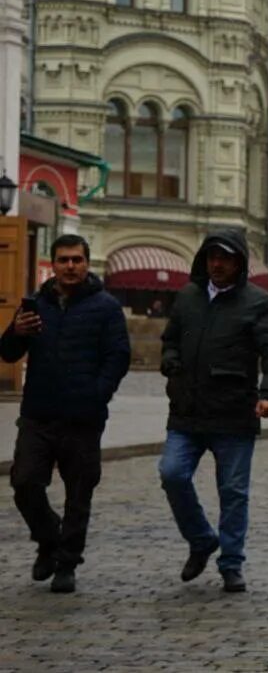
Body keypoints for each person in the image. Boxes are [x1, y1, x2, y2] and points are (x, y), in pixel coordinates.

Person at [2, 234, 130, 593]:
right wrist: (16, 331)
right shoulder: (36, 303)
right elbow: (8, 353)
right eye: (63, 260)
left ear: (87, 263)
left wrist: (96, 394)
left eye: (76, 260)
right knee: (25, 483)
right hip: (38, 413)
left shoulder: (105, 307)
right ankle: (48, 539)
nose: (70, 266)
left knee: (79, 492)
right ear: (54, 264)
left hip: (83, 417)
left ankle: (67, 563)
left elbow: (118, 355)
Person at [158, 229, 268, 593]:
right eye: (213, 256)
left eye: (226, 258)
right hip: (187, 410)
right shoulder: (187, 297)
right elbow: (170, 339)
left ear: (239, 263)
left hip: (234, 413)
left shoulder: (259, 303)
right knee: (172, 473)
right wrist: (169, 359)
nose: (218, 263)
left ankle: (231, 563)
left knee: (233, 492)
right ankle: (200, 539)